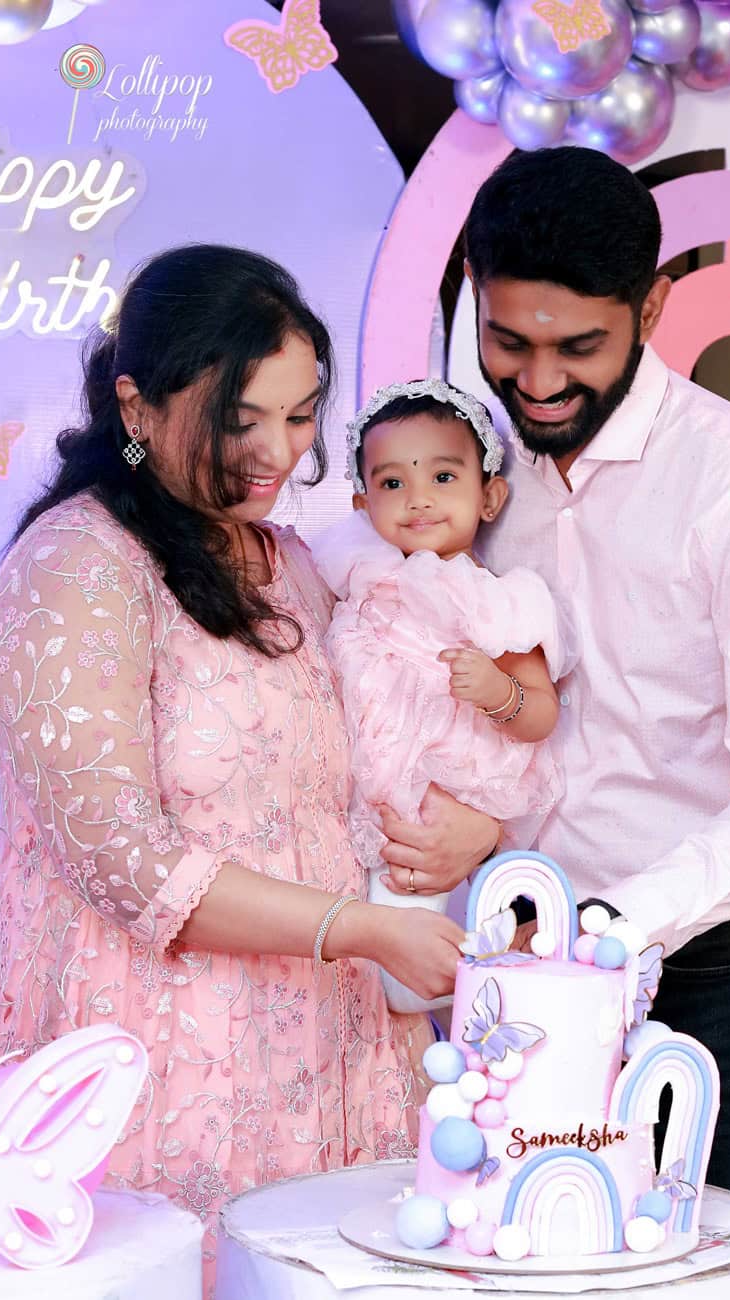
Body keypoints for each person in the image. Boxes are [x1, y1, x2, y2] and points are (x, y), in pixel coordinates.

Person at [0, 244, 472, 1287]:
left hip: (331, 1056)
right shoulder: (76, 566)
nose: (277, 451)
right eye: (241, 418)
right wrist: (357, 929)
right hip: (159, 1071)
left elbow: (363, 758)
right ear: (138, 405)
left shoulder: (294, 562)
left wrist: (471, 825)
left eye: (299, 417)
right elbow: (127, 865)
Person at [455, 146, 730, 1211]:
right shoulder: (479, 477)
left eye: (576, 347)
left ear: (653, 304)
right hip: (513, 948)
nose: (536, 383)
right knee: (509, 1256)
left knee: (697, 1267)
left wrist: (617, 928)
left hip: (702, 956)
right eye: (506, 341)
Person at [312, 378, 574, 1032]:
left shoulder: (498, 600)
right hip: (351, 790)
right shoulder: (353, 574)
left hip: (442, 794)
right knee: (346, 968)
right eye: (393, 484)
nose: (418, 499)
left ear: (489, 496)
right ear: (361, 501)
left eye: (444, 477)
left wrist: (499, 692)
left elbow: (542, 714)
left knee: (413, 965)